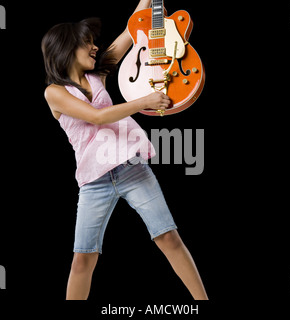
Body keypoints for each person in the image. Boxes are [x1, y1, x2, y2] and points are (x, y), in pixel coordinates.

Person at [41, 0, 208, 300]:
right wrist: (145, 101)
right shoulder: (54, 92)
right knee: (83, 259)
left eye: (94, 43)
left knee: (168, 237)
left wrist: (148, 1)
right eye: (87, 43)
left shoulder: (98, 74)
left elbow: (133, 30)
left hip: (132, 168)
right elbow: (96, 116)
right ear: (66, 47)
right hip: (94, 182)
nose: (95, 48)